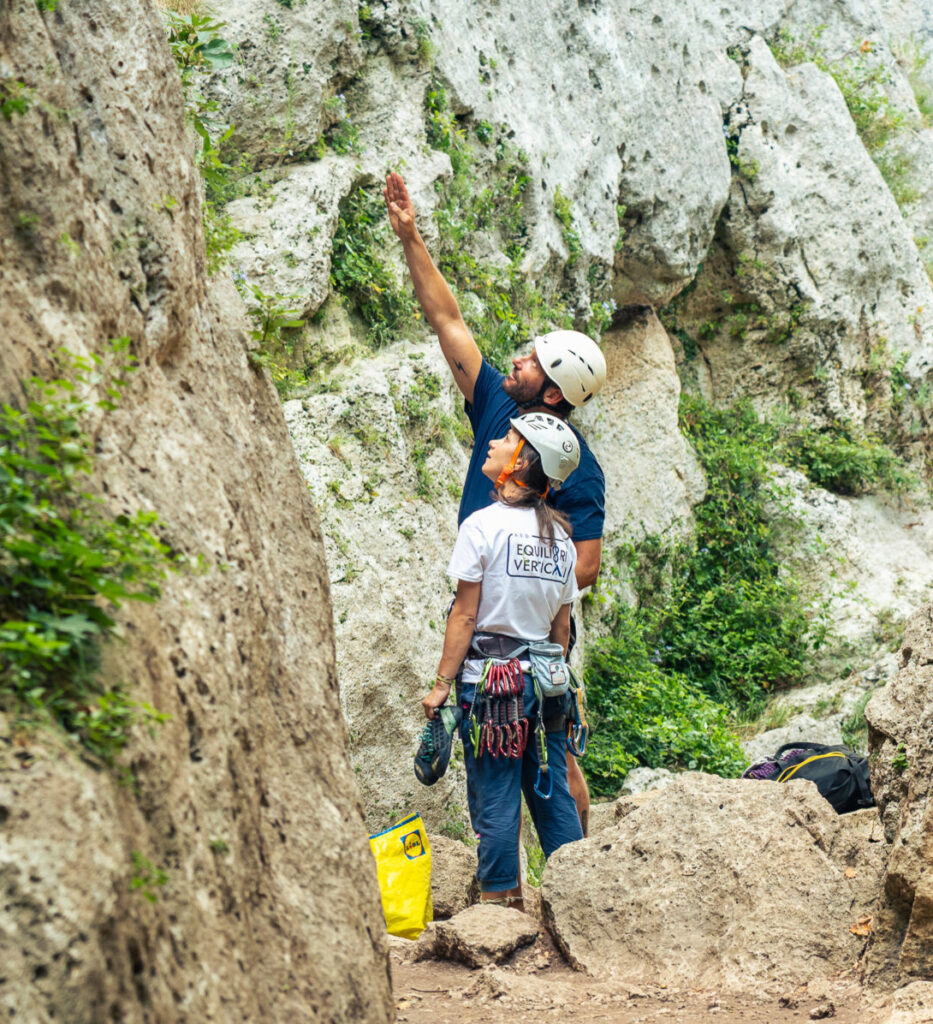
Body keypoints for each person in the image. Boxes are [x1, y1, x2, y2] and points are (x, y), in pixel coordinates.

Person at [385, 171, 606, 834]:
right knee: (501, 757)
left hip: (531, 629)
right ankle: (514, 879)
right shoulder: (499, 408)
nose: (514, 359)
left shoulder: (579, 470)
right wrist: (408, 236)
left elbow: (586, 566)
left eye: (531, 359)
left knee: (555, 759)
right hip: (488, 621)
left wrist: (506, 563)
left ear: (552, 391)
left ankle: (577, 871)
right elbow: (446, 320)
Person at [421, 413, 584, 909]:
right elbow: (560, 630)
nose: (495, 441)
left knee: (496, 799)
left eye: (509, 438)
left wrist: (442, 684)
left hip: (493, 685)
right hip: (546, 681)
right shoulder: (562, 542)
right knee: (551, 793)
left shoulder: (483, 526)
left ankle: (498, 909)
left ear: (522, 463)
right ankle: (579, 901)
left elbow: (465, 615)